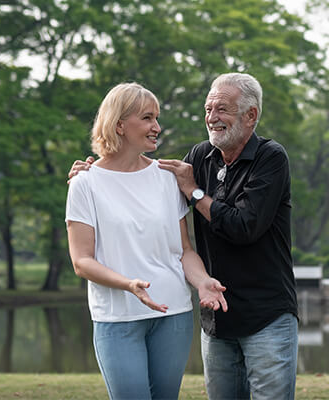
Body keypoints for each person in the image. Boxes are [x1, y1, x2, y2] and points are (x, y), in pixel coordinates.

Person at [69, 73, 298, 400]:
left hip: (266, 315)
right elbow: (86, 253)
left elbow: (240, 227)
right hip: (217, 319)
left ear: (251, 116)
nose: (212, 117)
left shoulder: (269, 158)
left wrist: (193, 192)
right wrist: (87, 171)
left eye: (223, 109)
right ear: (118, 124)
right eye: (208, 109)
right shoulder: (197, 159)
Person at [65, 82, 227, 400]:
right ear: (119, 124)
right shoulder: (85, 184)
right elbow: (81, 261)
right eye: (148, 118)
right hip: (118, 316)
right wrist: (128, 284)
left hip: (173, 314)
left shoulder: (168, 178)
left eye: (157, 118)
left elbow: (183, 251)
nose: (157, 127)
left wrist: (203, 281)